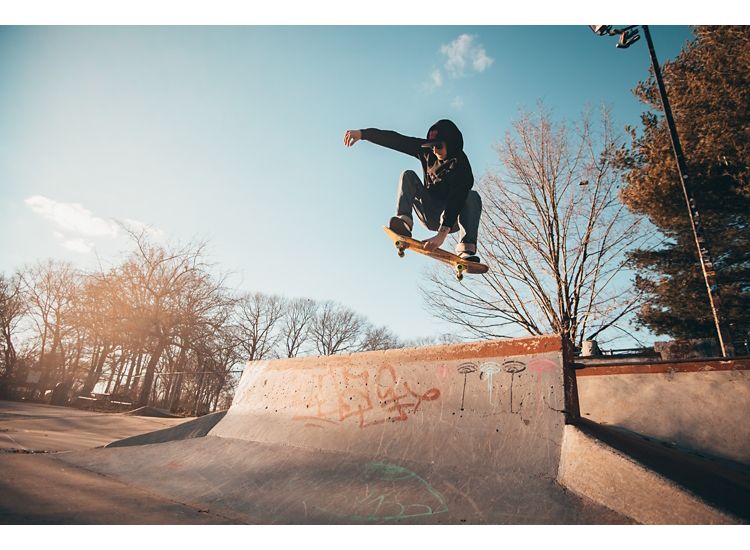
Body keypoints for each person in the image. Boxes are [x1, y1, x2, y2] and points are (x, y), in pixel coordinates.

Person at [343, 119, 482, 263]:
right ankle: (405, 222)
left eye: (438, 147)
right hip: (428, 212)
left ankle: (466, 249)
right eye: (432, 147)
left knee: (471, 196)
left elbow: (457, 199)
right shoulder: (427, 152)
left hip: (452, 219)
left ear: (451, 144)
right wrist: (363, 134)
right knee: (408, 175)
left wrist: (441, 235)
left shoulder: (461, 165)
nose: (435, 151)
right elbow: (397, 140)